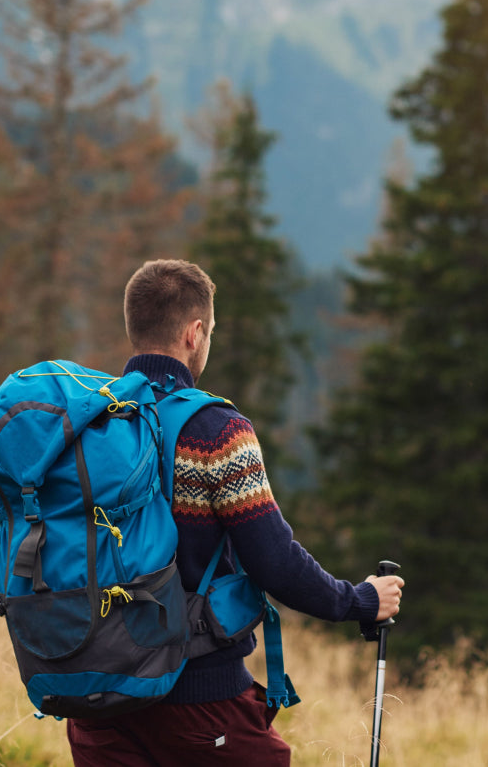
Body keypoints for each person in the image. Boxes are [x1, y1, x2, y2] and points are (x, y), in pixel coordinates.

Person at [67, 259, 404, 766]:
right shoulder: (217, 431)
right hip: (197, 698)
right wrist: (358, 601)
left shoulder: (85, 424)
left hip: (92, 698)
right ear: (194, 333)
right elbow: (275, 562)